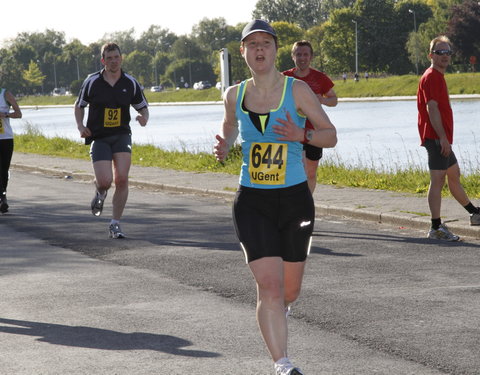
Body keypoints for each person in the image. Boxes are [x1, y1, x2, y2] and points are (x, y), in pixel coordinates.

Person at [214, 20, 337, 375]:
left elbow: (330, 136)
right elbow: (229, 125)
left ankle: (280, 312)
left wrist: (302, 133)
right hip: (252, 200)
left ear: (275, 49)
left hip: (295, 199)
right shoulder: (234, 95)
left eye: (265, 43)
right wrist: (224, 143)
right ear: (243, 52)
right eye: (251, 44)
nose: (259, 50)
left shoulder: (297, 91)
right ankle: (282, 364)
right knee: (268, 286)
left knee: (289, 292)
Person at [75, 42, 149, 238]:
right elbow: (79, 106)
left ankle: (115, 224)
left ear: (121, 58)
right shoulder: (92, 82)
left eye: (116, 57)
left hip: (122, 134)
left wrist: (144, 117)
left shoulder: (129, 82)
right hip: (99, 137)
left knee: (122, 178)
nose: (113, 61)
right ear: (103, 61)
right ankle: (100, 192)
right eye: (109, 58)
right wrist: (81, 126)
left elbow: (142, 106)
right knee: (105, 181)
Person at [417, 35, 480, 241]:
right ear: (431, 55)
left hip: (440, 138)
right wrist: (442, 138)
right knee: (438, 180)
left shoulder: (437, 76)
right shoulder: (431, 76)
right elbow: (431, 108)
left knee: (453, 175)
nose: (444, 56)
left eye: (447, 52)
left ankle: (474, 213)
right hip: (436, 138)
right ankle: (435, 227)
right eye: (440, 52)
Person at [283, 40, 338, 193]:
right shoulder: (284, 78)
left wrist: (322, 100)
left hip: (314, 131)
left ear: (311, 57)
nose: (302, 58)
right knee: (296, 171)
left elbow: (334, 100)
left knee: (311, 173)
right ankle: (295, 202)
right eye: (298, 54)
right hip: (291, 131)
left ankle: (307, 202)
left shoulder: (320, 78)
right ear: (293, 56)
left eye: (305, 54)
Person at [0, 89, 22, 213]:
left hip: (6, 138)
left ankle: (3, 195)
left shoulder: (5, 94)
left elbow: (19, 114)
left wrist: (5, 115)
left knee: (4, 170)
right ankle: (3, 198)